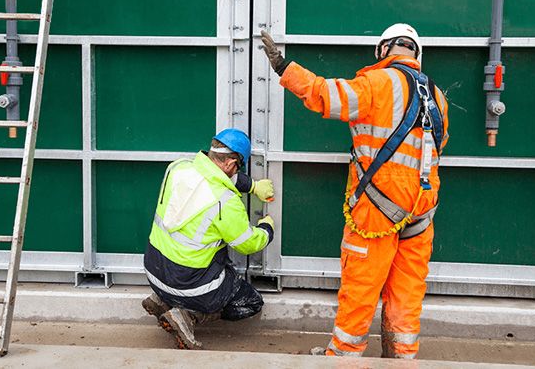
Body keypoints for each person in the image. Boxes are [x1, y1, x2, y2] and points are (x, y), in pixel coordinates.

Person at [261, 24, 449, 359]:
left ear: (382, 50)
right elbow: (437, 147)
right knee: (407, 289)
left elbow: (325, 96)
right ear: (416, 53)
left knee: (361, 284)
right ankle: (401, 357)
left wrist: (283, 67)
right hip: (421, 208)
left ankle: (345, 355)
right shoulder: (438, 97)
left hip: (378, 206)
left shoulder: (377, 83)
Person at [141, 128, 275, 349]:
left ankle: (163, 300)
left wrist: (252, 186)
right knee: (249, 301)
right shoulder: (226, 202)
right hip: (188, 284)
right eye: (237, 167)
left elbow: (212, 175)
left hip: (153, 272)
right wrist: (266, 229)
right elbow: (249, 244)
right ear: (232, 164)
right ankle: (187, 316)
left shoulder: (177, 168)